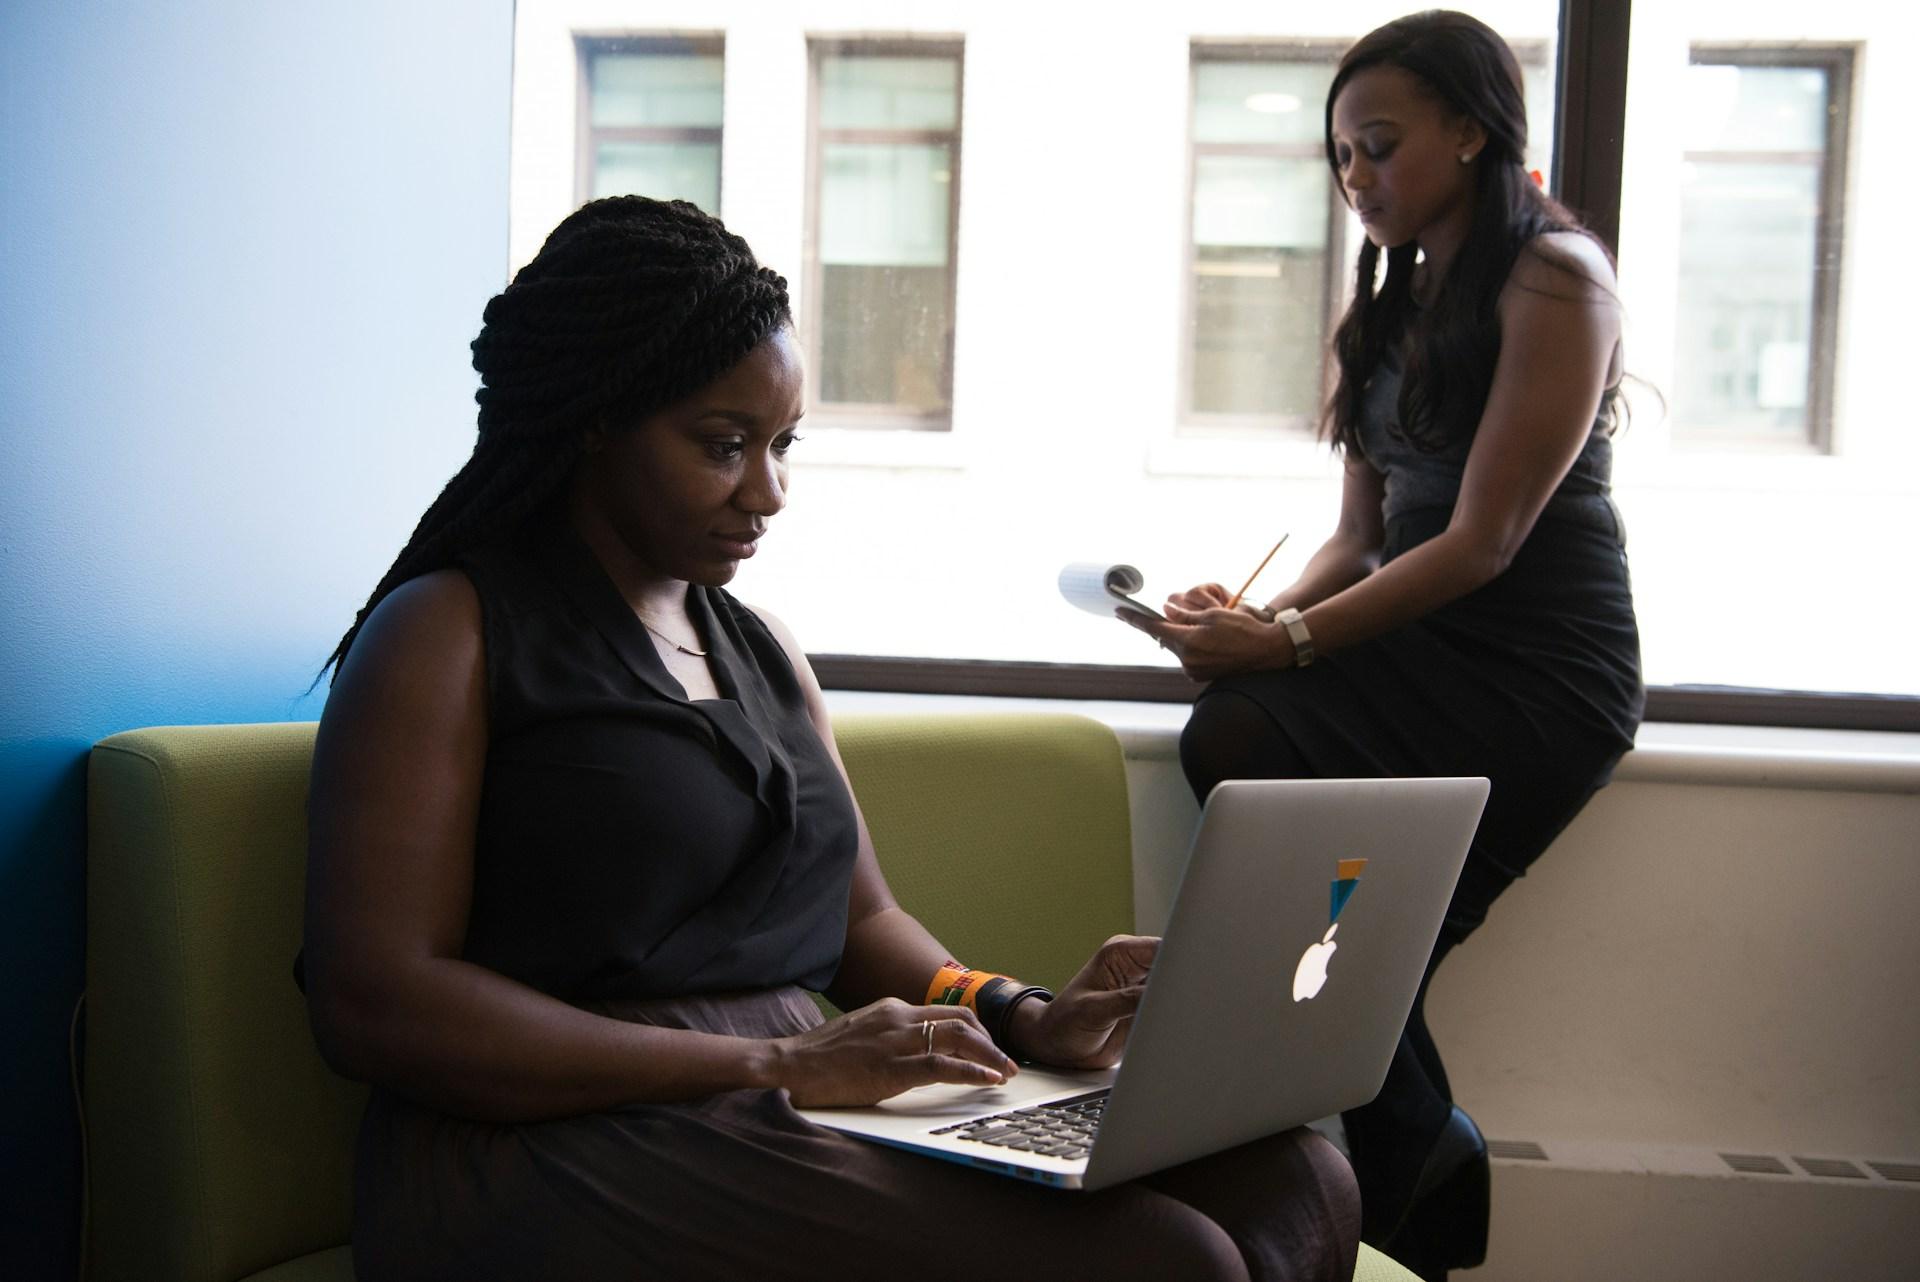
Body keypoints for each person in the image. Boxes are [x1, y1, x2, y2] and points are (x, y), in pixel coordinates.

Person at [300, 195, 1359, 1282]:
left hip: (786, 1089)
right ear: (593, 418)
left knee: (1298, 1181)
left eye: (782, 444)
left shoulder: (762, 650)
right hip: (550, 1136)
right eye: (723, 446)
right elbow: (378, 997)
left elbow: (866, 923)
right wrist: (776, 1057)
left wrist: (1021, 1012)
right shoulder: (448, 630)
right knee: (1165, 1262)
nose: (768, 492)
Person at [1127, 12, 1643, 1281]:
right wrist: (1247, 629)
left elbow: (1483, 540)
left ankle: (1400, 1159)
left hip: (1540, 667)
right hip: (1418, 645)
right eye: (1341, 158)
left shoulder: (1558, 280)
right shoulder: (1389, 303)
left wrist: (1285, 642)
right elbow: (1359, 536)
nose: (1356, 178)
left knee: (1341, 920)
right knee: (1244, 752)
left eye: (1378, 147)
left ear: (1471, 132)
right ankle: (1419, 1153)